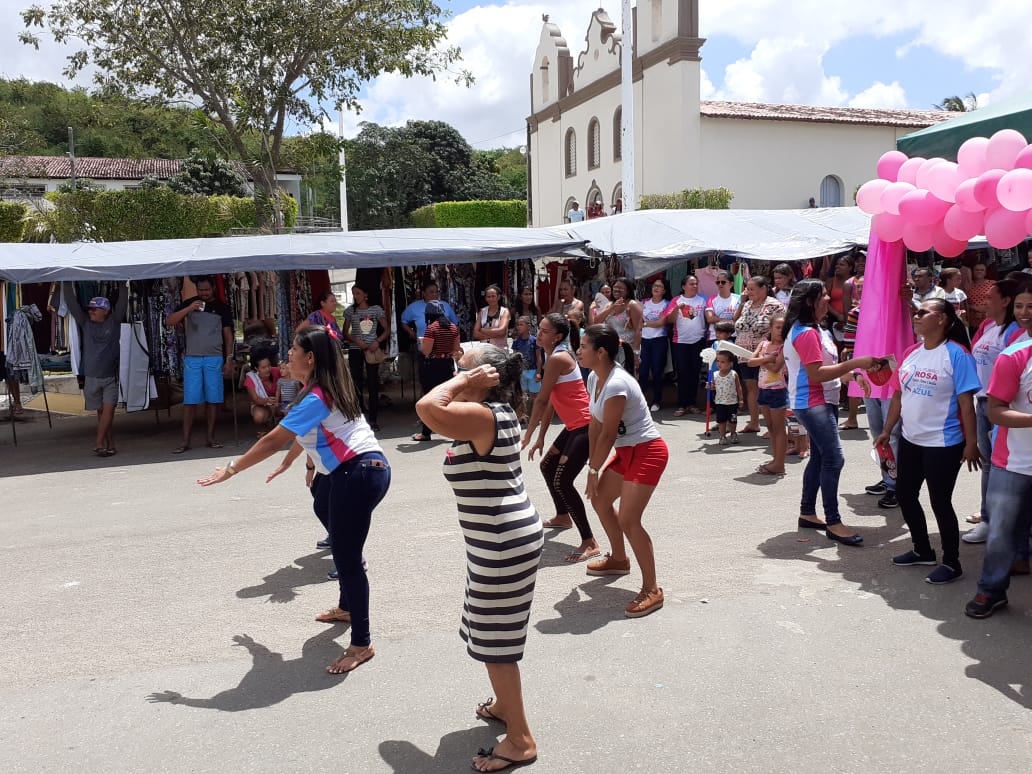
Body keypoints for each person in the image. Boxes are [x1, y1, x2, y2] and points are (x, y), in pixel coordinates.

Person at [198, 325, 391, 674]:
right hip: (355, 471)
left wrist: (232, 469)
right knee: (322, 502)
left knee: (347, 557)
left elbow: (273, 439)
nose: (287, 354)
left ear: (310, 358)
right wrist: (291, 463)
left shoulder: (317, 395)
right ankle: (348, 604)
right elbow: (306, 435)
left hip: (358, 473)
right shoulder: (321, 389)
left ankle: (362, 643)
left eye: (293, 350)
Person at [414, 346, 542, 773]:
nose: (454, 373)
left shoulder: (485, 415)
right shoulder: (485, 415)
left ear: (485, 377)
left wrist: (464, 382)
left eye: (462, 367)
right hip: (496, 541)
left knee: (496, 645)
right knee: (490, 633)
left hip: (502, 543)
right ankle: (506, 706)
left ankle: (521, 740)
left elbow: (425, 407)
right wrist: (467, 380)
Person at [875, 299, 981, 585]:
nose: (916, 315)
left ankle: (952, 563)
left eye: (924, 312)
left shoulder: (957, 355)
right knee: (905, 494)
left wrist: (971, 443)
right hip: (911, 440)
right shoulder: (911, 352)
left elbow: (966, 405)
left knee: (940, 502)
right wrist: (887, 430)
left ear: (943, 319)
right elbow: (898, 395)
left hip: (944, 444)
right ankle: (922, 550)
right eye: (917, 311)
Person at [578, 324, 669, 618]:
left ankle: (652, 589)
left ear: (601, 352)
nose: (578, 351)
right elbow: (595, 426)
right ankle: (619, 559)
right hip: (627, 452)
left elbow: (608, 434)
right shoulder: (594, 377)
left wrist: (594, 469)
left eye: (583, 346)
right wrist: (592, 466)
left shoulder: (617, 383)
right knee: (600, 499)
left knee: (630, 520)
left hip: (648, 451)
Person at [784, 279, 881, 544]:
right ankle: (833, 521)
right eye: (823, 295)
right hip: (813, 402)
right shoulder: (806, 332)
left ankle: (807, 512)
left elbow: (823, 369)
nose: (829, 299)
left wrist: (852, 374)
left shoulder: (816, 329)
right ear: (809, 301)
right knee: (834, 459)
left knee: (820, 457)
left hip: (820, 400)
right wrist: (857, 363)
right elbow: (816, 374)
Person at [965, 287, 1032, 618]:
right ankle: (991, 590)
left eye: (1030, 306)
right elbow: (995, 411)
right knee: (1001, 531)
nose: (1025, 312)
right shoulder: (1014, 356)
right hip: (1013, 462)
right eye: (1020, 306)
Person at [522, 313, 600, 561]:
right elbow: (551, 402)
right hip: (574, 426)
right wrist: (540, 437)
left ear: (557, 336)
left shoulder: (557, 358)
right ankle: (563, 516)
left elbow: (541, 399)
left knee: (562, 481)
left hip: (585, 426)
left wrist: (528, 433)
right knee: (547, 466)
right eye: (539, 329)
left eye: (544, 331)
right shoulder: (552, 355)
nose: (539, 334)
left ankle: (590, 541)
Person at [962, 276, 1023, 540]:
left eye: (990, 298)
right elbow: (971, 356)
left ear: (1006, 301)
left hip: (1003, 406)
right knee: (989, 463)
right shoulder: (987, 325)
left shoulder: (1015, 332)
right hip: (983, 402)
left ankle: (997, 521)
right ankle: (989, 516)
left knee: (1003, 465)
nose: (984, 303)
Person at [165, 276, 235, 453]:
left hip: (214, 358)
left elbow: (228, 337)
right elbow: (169, 321)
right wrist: (189, 308)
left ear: (213, 289)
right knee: (190, 401)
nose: (204, 293)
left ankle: (210, 438)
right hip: (193, 358)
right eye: (201, 290)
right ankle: (185, 441)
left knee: (213, 400)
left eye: (207, 290)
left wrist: (229, 359)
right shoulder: (189, 303)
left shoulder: (222, 308)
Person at [62, 283, 129, 456]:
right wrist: (65, 281)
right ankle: (110, 444)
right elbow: (72, 303)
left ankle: (99, 443)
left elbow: (123, 300)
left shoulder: (114, 322)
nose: (90, 312)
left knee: (108, 411)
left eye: (94, 309)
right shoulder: (85, 323)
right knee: (102, 413)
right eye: (90, 309)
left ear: (105, 311)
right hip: (91, 378)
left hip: (110, 377)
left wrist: (123, 281)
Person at [733, 276, 785, 433]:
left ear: (764, 289)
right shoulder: (747, 304)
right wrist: (742, 302)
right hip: (744, 354)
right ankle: (754, 422)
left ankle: (774, 427)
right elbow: (735, 321)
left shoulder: (775, 305)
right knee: (751, 386)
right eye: (747, 289)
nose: (748, 292)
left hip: (765, 354)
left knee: (768, 387)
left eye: (752, 289)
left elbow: (781, 328)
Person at [412, 300, 462, 442]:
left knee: (428, 398)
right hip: (447, 365)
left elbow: (426, 351)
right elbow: (456, 348)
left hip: (432, 366)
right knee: (449, 398)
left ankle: (426, 432)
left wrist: (422, 344)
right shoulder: (453, 327)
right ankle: (455, 431)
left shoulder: (432, 328)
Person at [342, 284, 389, 431]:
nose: (355, 296)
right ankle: (359, 417)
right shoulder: (350, 311)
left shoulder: (376, 310)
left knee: (373, 383)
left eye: (358, 293)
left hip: (372, 350)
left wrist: (377, 342)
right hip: (356, 350)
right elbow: (345, 332)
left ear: (365, 295)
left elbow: (387, 329)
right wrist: (356, 341)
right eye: (354, 294)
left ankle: (373, 420)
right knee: (356, 383)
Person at [749, 315, 788, 475]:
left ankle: (780, 463)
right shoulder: (764, 344)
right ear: (770, 328)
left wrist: (762, 360)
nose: (780, 331)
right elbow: (750, 361)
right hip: (763, 389)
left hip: (778, 390)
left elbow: (776, 368)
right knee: (770, 427)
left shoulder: (784, 347)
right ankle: (775, 459)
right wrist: (767, 359)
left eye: (783, 328)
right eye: (777, 327)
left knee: (779, 428)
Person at [664, 275, 708, 416]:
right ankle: (682, 405)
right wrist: (677, 308)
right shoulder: (676, 300)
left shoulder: (703, 299)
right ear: (683, 286)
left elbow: (707, 318)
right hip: (680, 341)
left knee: (695, 373)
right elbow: (670, 320)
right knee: (683, 373)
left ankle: (692, 404)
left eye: (696, 283)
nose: (694, 286)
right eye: (691, 284)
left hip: (698, 341)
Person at [591, 277, 642, 377]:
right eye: (615, 287)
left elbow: (638, 330)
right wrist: (611, 308)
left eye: (620, 288)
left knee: (625, 377)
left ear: (627, 291)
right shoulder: (609, 304)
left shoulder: (632, 305)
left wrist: (636, 353)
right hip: (611, 349)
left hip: (627, 348)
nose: (617, 290)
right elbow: (596, 322)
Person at [639, 278, 670, 411]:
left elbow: (661, 322)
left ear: (664, 290)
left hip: (659, 340)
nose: (656, 288)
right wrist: (644, 324)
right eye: (654, 286)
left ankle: (657, 401)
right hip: (644, 340)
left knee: (657, 371)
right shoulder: (644, 302)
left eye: (659, 286)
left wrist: (645, 324)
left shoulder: (667, 304)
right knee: (643, 371)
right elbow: (637, 320)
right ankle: (641, 400)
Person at [711, 351, 743, 446]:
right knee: (721, 421)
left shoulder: (733, 374)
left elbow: (738, 387)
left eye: (722, 362)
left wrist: (741, 399)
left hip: (732, 402)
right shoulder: (715, 374)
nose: (719, 364)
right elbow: (713, 387)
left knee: (733, 420)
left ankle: (733, 433)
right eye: (718, 361)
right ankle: (722, 436)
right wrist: (710, 386)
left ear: (730, 364)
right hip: (720, 402)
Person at [244, 353, 281, 436]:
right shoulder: (251, 379)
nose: (268, 369)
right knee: (259, 415)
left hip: (280, 403)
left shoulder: (277, 371)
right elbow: (256, 400)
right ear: (256, 368)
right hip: (262, 405)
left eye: (269, 366)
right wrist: (267, 400)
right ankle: (263, 431)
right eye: (263, 367)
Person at [512, 315, 543, 401]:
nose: (518, 327)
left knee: (535, 395)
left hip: (533, 371)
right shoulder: (516, 341)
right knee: (522, 395)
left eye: (521, 325)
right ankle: (524, 410)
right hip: (521, 372)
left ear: (528, 326)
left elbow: (539, 357)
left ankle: (534, 409)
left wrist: (538, 372)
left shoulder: (534, 340)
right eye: (518, 325)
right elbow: (515, 358)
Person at [704, 270, 740, 341]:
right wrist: (730, 321)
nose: (720, 284)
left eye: (723, 282)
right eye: (718, 282)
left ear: (731, 284)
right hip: (715, 337)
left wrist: (717, 319)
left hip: (733, 335)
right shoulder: (711, 299)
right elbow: (710, 319)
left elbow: (738, 318)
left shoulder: (738, 298)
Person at [473, 284, 510, 350]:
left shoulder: (504, 311)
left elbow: (502, 331)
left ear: (498, 297)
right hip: (484, 350)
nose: (491, 299)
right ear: (486, 298)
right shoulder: (482, 312)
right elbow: (475, 333)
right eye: (488, 297)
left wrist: (482, 330)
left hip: (499, 350)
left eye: (493, 296)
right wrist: (494, 334)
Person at [966, 262, 995, 334]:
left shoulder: (993, 284)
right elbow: (966, 304)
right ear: (972, 272)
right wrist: (973, 308)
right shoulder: (967, 286)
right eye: (977, 270)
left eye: (982, 270)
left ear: (985, 272)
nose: (979, 271)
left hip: (990, 320)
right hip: (973, 322)